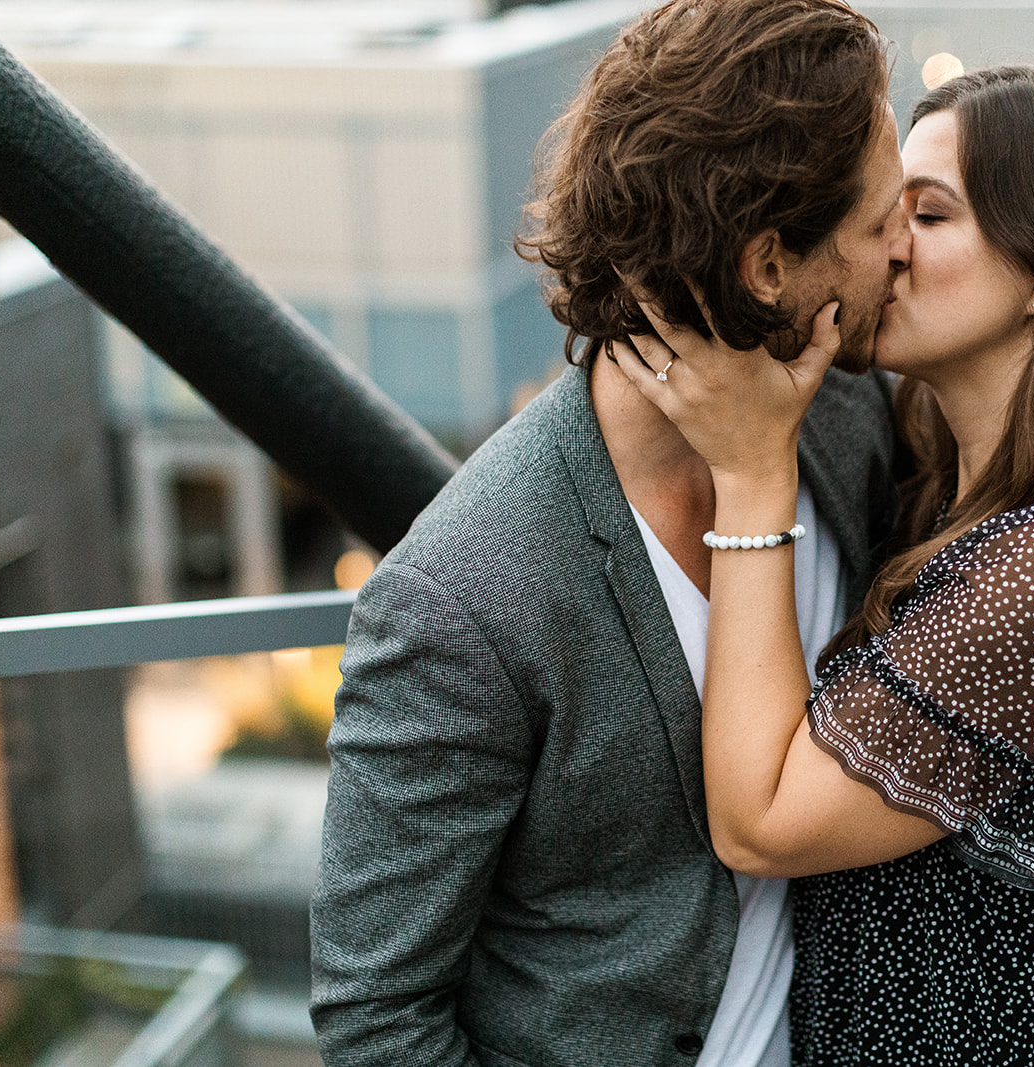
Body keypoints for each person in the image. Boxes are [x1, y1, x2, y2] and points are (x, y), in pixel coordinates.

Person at [308, 2, 909, 1065]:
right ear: (768, 267)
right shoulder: (463, 598)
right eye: (878, 225)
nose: (902, 251)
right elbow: (376, 1018)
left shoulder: (850, 416)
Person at [614, 64, 1034, 1064]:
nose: (887, 246)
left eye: (927, 216)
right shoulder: (950, 471)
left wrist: (752, 471)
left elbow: (762, 822)